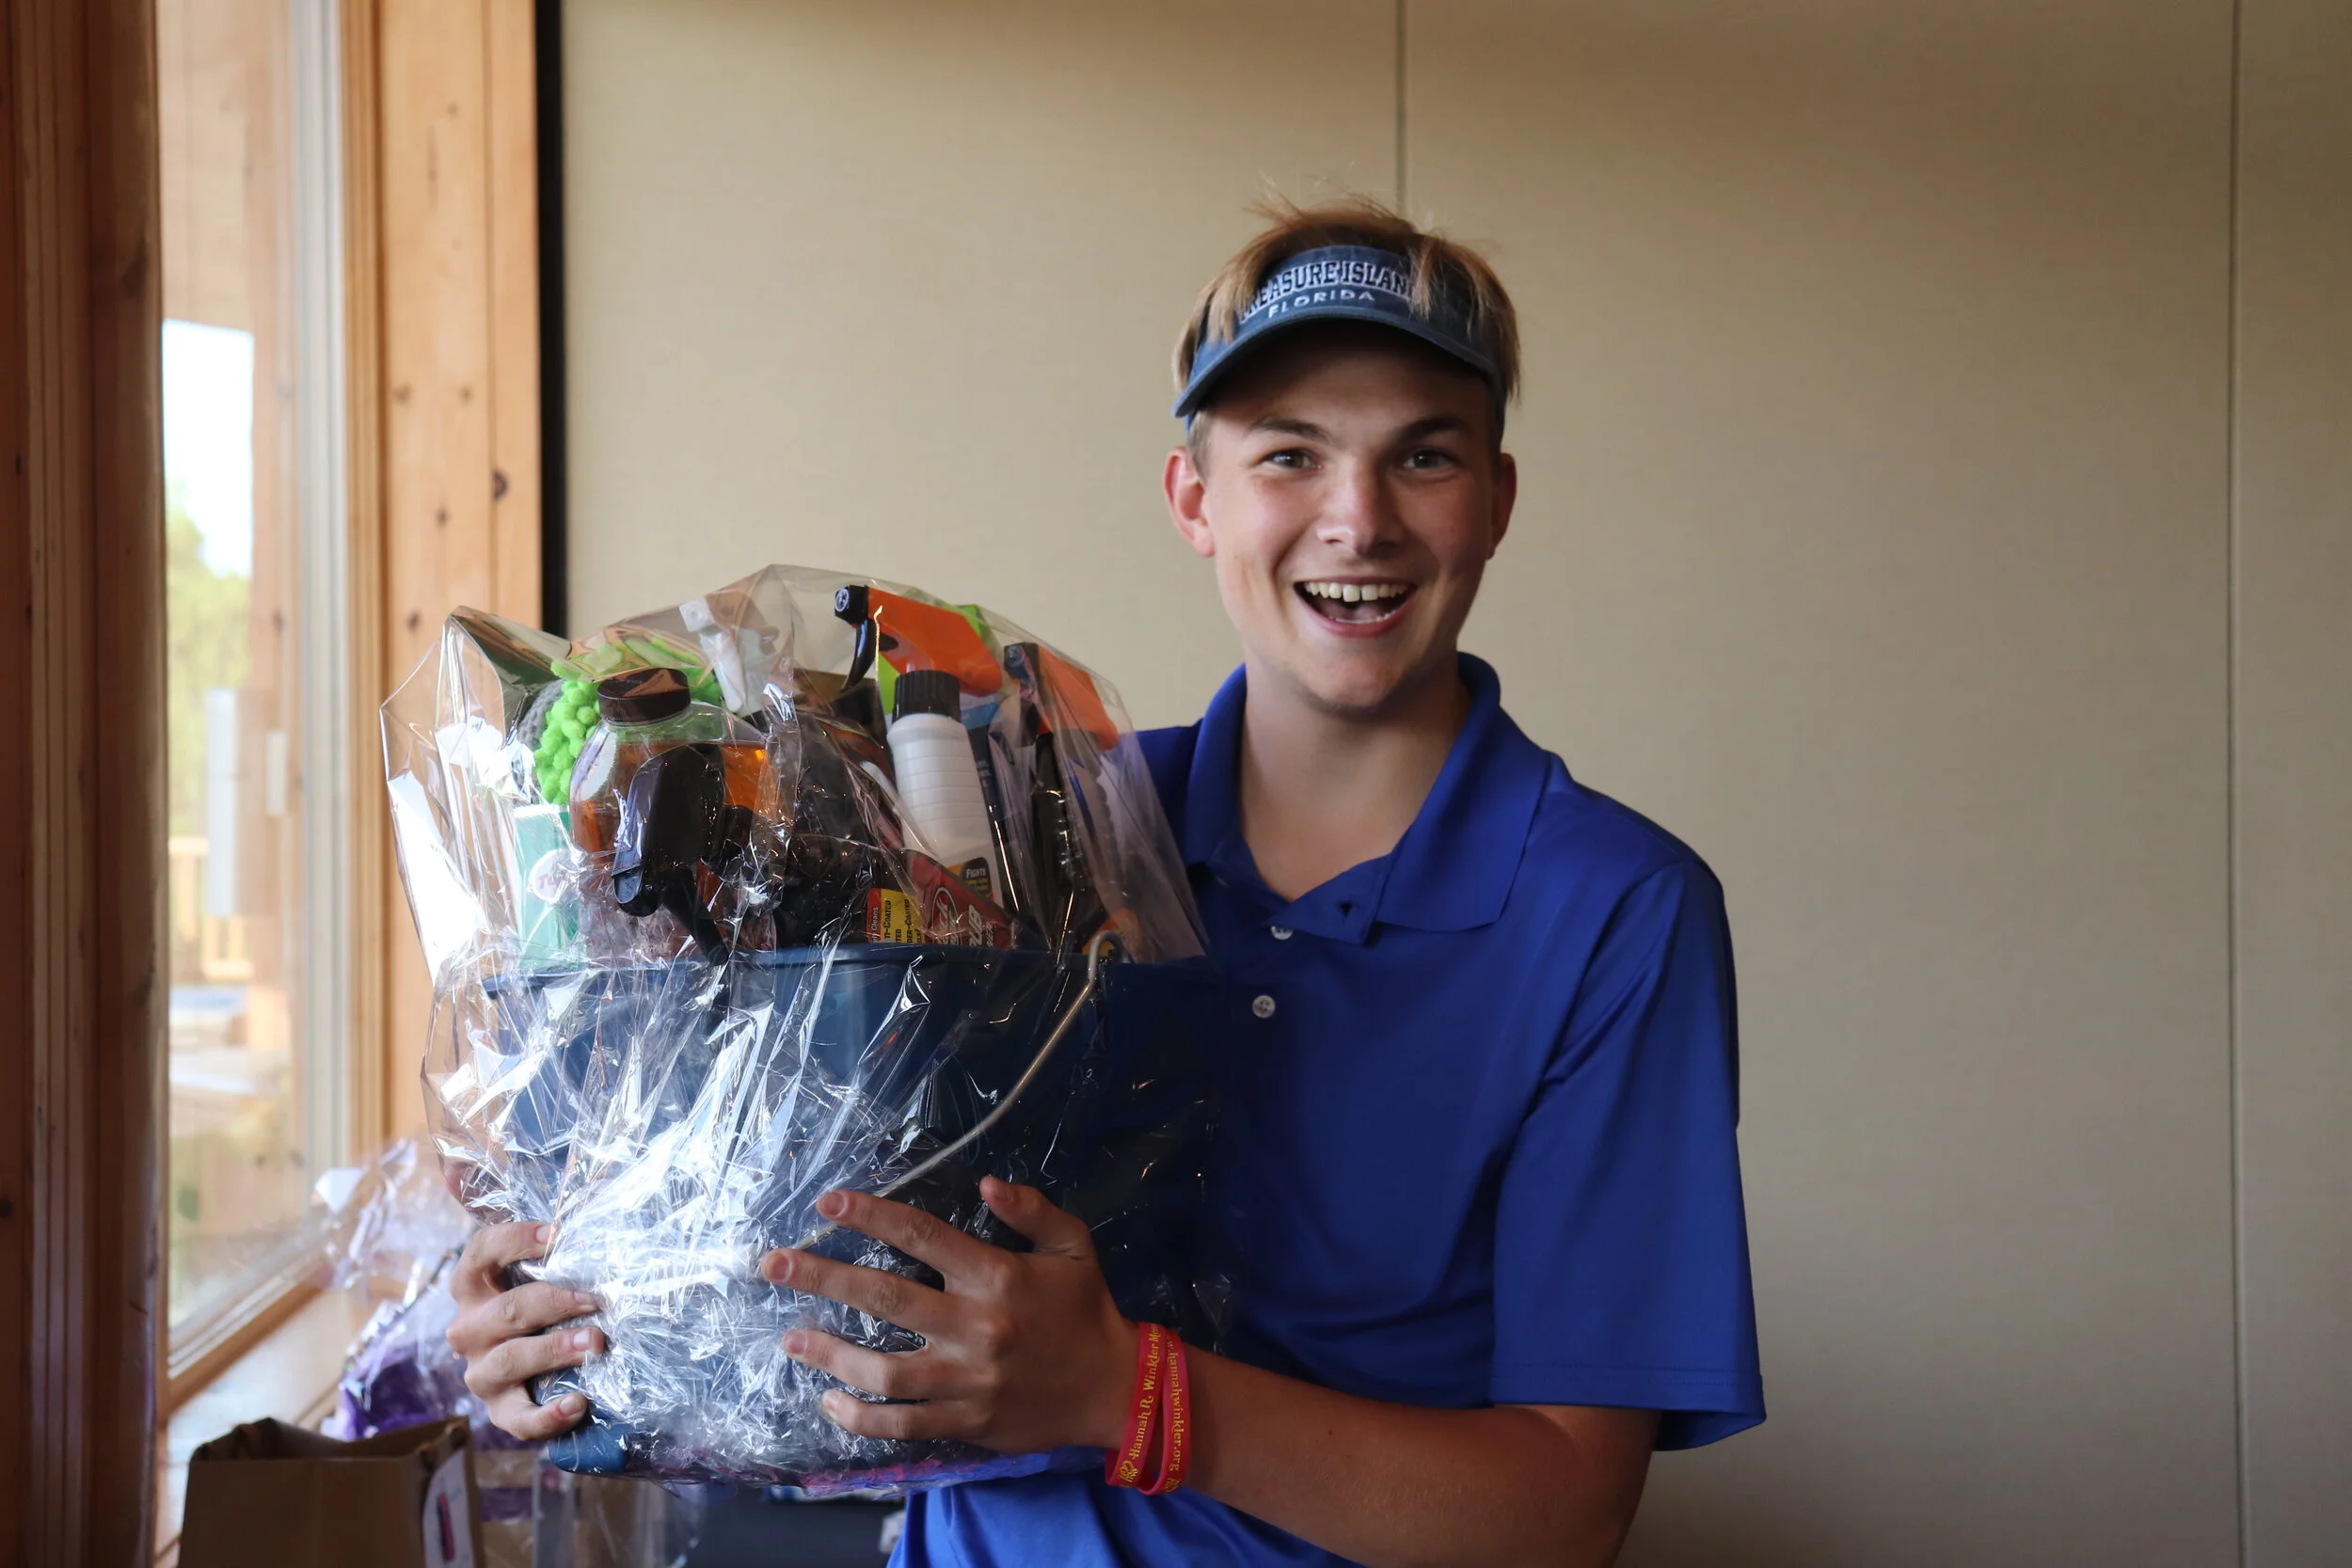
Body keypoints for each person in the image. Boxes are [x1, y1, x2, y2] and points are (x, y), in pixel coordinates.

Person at [447, 198, 1762, 1567]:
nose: (1357, 520)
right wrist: (583, 1312)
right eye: (1291, 455)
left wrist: (1129, 1396)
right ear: (1195, 498)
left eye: (1422, 456)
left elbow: (1563, 1517)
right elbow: (822, 1254)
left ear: (1495, 501)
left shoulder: (1612, 911)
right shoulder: (1040, 816)